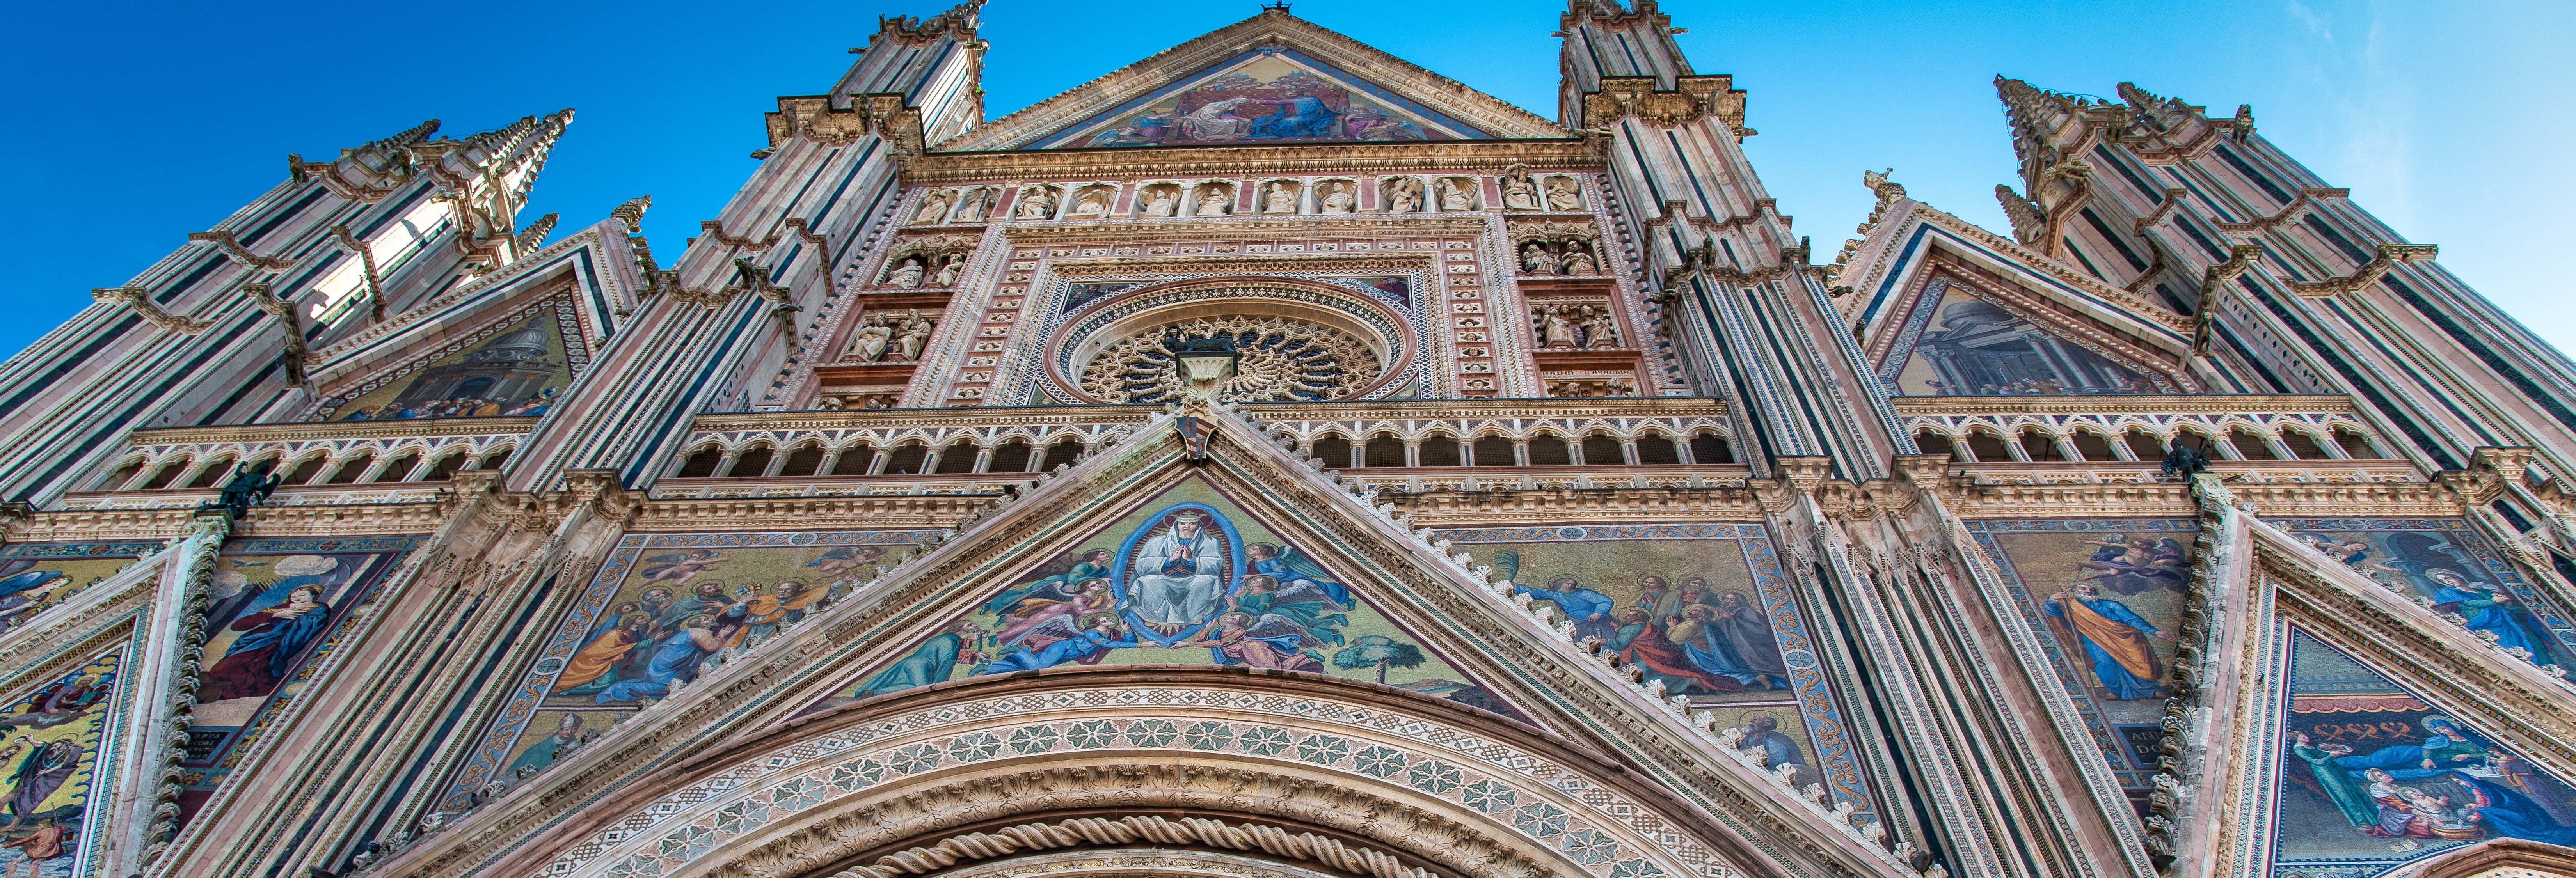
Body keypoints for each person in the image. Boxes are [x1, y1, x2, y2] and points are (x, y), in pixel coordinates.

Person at [2041, 581, 2173, 701]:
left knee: (2139, 662)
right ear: (2075, 592)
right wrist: (2052, 601)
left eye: (2091, 589)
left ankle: (2151, 690)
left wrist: (2154, 632)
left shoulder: (2111, 605)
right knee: (2105, 664)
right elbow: (2054, 614)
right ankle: (2116, 691)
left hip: (2123, 638)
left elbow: (2132, 620)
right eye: (2083, 588)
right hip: (2094, 639)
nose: (2088, 591)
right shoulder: (2071, 606)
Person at [201, 584, 332, 702]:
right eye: (295, 595)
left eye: (302, 595)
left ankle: (231, 691)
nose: (297, 598)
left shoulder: (318, 610)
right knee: (220, 671)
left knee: (245, 673)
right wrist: (278, 615)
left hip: (275, 645)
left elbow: (305, 631)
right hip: (256, 641)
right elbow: (238, 626)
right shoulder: (281, 608)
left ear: (314, 596)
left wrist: (286, 635)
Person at [2428, 568, 2561, 664]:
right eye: (2444, 581)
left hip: (2507, 620)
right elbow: (2468, 603)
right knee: (2508, 644)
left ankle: (2544, 666)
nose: (2448, 582)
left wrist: (2506, 602)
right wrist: (2493, 602)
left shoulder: (2480, 590)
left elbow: (2503, 606)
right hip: (2486, 622)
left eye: (2448, 578)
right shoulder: (2447, 592)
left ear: (2457, 577)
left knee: (2528, 640)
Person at [1127, 511, 1228, 635]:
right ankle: (1154, 617)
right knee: (1150, 581)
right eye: (1183, 523)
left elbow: (1216, 565)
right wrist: (1169, 560)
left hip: (1193, 578)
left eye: (1192, 523)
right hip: (1165, 577)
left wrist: (1192, 560)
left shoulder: (1210, 542)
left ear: (1199, 525)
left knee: (1208, 581)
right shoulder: (1156, 542)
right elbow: (1141, 565)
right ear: (1176, 525)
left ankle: (1195, 616)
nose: (1187, 526)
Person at [598, 614, 724, 703]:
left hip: (662, 662)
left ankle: (617, 689)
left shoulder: (690, 632)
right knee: (667, 688)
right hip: (669, 665)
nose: (710, 620)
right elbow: (712, 646)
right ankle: (616, 691)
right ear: (699, 624)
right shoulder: (699, 632)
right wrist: (721, 636)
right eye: (706, 619)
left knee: (658, 683)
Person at [853, 620, 985, 698]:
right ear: (962, 628)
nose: (974, 627)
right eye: (970, 625)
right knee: (922, 689)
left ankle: (875, 692)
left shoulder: (946, 639)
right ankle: (875, 693)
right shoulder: (949, 642)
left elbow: (952, 649)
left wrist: (973, 646)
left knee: (914, 688)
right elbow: (948, 659)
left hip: (913, 663)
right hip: (921, 665)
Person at [984, 614, 1138, 673]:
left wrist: (1127, 630)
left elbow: (1127, 642)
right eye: (1104, 620)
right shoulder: (1092, 633)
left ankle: (994, 666)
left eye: (1109, 619)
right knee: (1039, 667)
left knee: (1034, 669)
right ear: (1097, 623)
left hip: (1070, 656)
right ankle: (1018, 652)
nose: (1108, 621)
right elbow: (1108, 645)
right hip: (1063, 648)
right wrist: (1142, 646)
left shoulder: (1113, 634)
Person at [1177, 612, 1323, 672]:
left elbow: (1221, 644)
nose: (1232, 617)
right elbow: (1202, 641)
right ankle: (1307, 659)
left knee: (1272, 669)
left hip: (1252, 648)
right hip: (1243, 656)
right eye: (1232, 616)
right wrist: (1207, 628)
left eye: (1236, 618)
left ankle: (1307, 657)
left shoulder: (1240, 632)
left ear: (1240, 624)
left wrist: (1188, 644)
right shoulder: (1218, 631)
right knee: (1273, 669)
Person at [1736, 714, 1810, 784]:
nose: (1751, 721)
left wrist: (1753, 755)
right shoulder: (1745, 740)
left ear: (1767, 724)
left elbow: (1778, 760)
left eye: (1757, 720)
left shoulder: (1776, 739)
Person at [510, 714, 587, 775]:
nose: (569, 733)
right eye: (567, 730)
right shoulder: (538, 749)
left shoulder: (576, 744)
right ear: (560, 730)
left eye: (573, 730)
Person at [0, 817, 68, 876]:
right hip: (49, 853)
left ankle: (7, 877)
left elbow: (24, 841)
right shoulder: (58, 830)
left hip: (37, 852)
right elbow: (65, 828)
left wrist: (6, 846)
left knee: (15, 862)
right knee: (34, 865)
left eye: (39, 826)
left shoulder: (41, 832)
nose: (37, 827)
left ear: (45, 825)